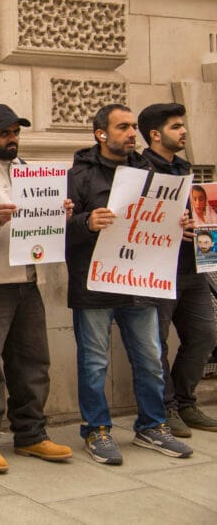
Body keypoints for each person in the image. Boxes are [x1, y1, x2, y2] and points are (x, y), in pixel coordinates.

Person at [65, 103, 192, 465]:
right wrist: (86, 222)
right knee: (94, 364)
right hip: (95, 287)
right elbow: (57, 232)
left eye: (133, 127)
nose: (131, 134)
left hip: (139, 284)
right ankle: (97, 430)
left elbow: (161, 223)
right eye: (122, 127)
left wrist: (178, 224)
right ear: (100, 133)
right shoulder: (79, 176)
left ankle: (153, 425)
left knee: (151, 359)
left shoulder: (151, 171)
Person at [0, 104, 73, 474]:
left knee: (33, 363)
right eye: (4, 133)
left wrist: (60, 212)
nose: (12, 139)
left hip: (28, 281)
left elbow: (41, 221)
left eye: (15, 132)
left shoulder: (29, 171)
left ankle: (30, 435)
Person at [139, 103, 217, 436]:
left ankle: (185, 402)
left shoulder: (185, 169)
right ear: (155, 135)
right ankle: (165, 409)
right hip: (158, 272)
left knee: (204, 335)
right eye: (175, 126)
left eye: (183, 125)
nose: (183, 131)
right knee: (156, 344)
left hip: (193, 269)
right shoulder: (140, 171)